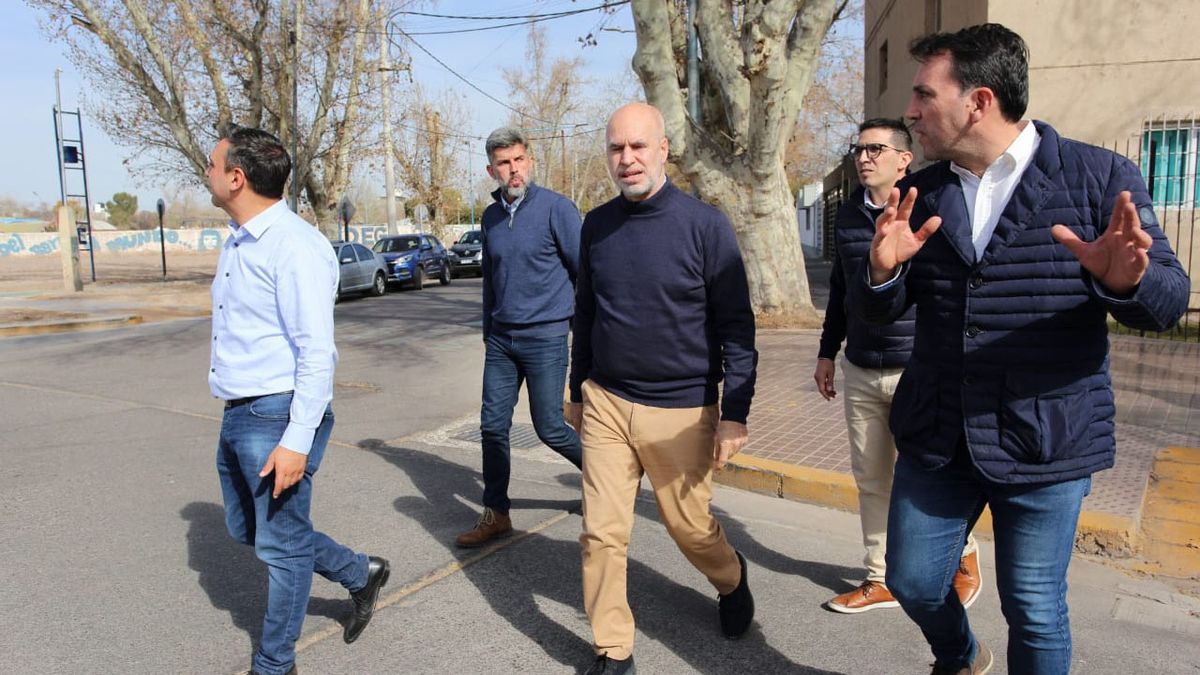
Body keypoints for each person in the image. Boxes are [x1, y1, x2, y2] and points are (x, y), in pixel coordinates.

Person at [848, 24, 1190, 674]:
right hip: (937, 433)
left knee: (1034, 604)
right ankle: (963, 655)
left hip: (1047, 437)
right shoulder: (924, 190)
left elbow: (1171, 299)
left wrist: (1127, 280)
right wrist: (883, 274)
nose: (911, 112)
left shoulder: (1098, 176)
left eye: (924, 94)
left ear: (978, 101)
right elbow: (881, 311)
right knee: (915, 581)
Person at [566, 102, 758, 675]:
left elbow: (737, 328)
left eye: (637, 147)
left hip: (681, 409)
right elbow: (586, 312)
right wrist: (578, 389)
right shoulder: (595, 226)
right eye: (616, 148)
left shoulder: (705, 225)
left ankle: (731, 578)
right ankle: (613, 649)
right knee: (601, 533)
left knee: (691, 530)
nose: (626, 159)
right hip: (606, 402)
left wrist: (735, 413)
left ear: (663, 150)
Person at [206, 125, 390, 675]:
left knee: (282, 551)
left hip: (276, 413)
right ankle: (360, 573)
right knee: (252, 531)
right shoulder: (240, 240)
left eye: (213, 166)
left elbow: (317, 353)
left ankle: (274, 663)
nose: (208, 173)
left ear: (236, 178)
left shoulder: (295, 247)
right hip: (239, 410)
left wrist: (295, 441)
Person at [815, 118, 981, 614]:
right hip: (861, 366)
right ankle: (879, 577)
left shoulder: (931, 209)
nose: (864, 157)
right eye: (858, 149)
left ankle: (962, 556)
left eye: (875, 149)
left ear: (903, 159)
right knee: (872, 479)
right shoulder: (845, 217)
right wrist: (828, 351)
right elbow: (842, 292)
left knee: (929, 474)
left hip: (918, 368)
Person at [456, 127, 583, 548]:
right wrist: (489, 330)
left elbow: (587, 274)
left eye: (519, 160)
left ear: (529, 161)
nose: (513, 169)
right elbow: (491, 279)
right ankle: (497, 514)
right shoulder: (491, 217)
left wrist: (588, 332)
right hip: (502, 341)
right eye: (504, 163)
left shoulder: (556, 209)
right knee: (492, 428)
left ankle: (608, 480)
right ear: (491, 169)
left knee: (549, 427)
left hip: (546, 337)